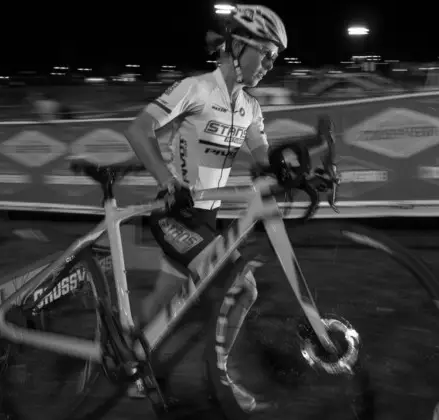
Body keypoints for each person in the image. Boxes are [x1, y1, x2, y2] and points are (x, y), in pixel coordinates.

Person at [124, 4, 287, 412]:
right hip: (174, 214)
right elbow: (137, 130)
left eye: (274, 58)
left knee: (164, 298)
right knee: (241, 287)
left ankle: (128, 364)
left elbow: (264, 160)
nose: (269, 64)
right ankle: (220, 380)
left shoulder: (250, 107)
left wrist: (291, 169)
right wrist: (166, 181)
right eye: (265, 53)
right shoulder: (195, 88)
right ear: (238, 46)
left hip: (206, 217)